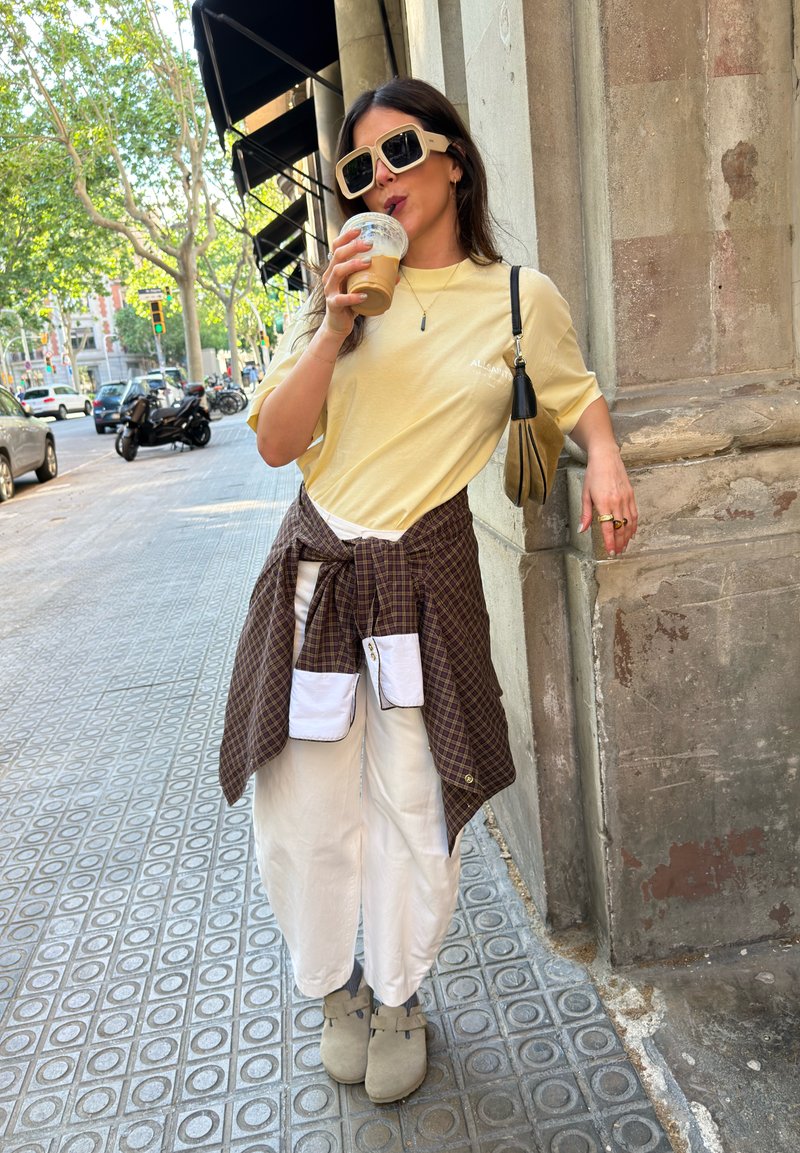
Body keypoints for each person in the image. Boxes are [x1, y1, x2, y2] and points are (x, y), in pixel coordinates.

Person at [219, 77, 637, 1105]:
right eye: (357, 170)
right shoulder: (337, 290)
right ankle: (333, 989)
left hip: (423, 569)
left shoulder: (513, 297)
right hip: (320, 567)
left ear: (452, 157)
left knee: (412, 800)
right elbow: (278, 442)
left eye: (399, 152)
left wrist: (608, 459)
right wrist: (333, 323)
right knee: (302, 799)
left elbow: (573, 393)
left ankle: (399, 993)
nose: (380, 180)